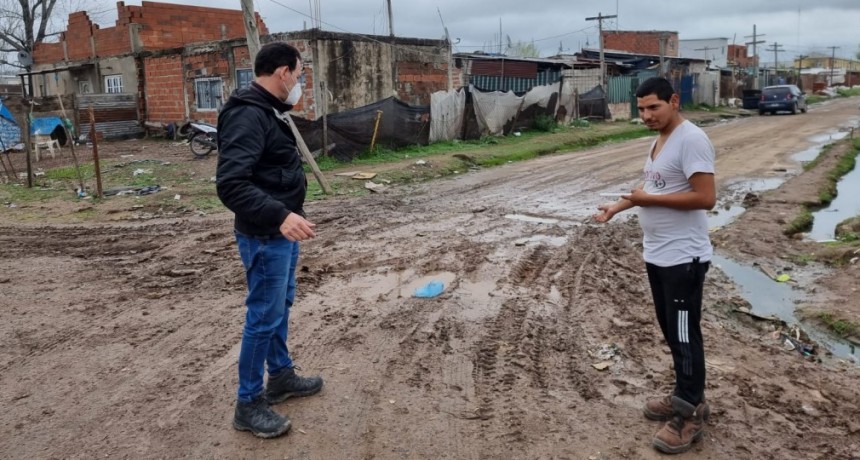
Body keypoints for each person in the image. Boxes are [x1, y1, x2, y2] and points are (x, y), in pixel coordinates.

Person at [592, 77, 716, 454]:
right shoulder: (660, 139)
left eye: (653, 108)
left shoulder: (691, 139)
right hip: (659, 254)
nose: (645, 115)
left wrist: (650, 201)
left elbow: (705, 197)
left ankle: (691, 413)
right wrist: (619, 206)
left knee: (684, 335)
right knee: (672, 331)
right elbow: (653, 188)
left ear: (674, 101)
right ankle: (684, 394)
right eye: (641, 108)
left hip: (683, 258)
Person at [216, 42, 324, 439]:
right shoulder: (248, 115)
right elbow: (231, 185)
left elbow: (269, 170)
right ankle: (248, 403)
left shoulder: (267, 110)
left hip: (280, 232)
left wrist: (287, 215)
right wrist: (280, 215)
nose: (299, 81)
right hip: (265, 234)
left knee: (279, 307)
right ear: (282, 72)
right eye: (298, 73)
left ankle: (280, 377)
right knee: (263, 317)